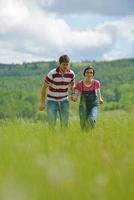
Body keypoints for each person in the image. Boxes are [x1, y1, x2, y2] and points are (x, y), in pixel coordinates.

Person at [39, 54, 75, 128]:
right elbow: (43, 88)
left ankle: (64, 139)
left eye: (67, 64)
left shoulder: (71, 74)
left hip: (64, 100)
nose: (65, 66)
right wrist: (42, 103)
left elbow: (73, 85)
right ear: (59, 64)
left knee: (65, 124)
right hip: (51, 101)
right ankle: (52, 139)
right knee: (52, 124)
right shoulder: (52, 74)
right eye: (63, 64)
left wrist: (73, 93)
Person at [71, 65, 103, 131]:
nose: (89, 74)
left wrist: (100, 99)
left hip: (93, 105)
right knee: (83, 123)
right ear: (84, 73)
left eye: (91, 72)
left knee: (91, 119)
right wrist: (74, 97)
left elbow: (98, 91)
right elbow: (76, 93)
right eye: (87, 72)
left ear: (93, 74)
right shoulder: (80, 84)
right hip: (83, 106)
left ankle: (92, 133)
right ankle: (85, 135)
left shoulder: (96, 83)